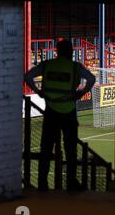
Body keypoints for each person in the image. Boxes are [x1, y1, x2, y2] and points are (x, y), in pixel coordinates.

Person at [24, 40, 95, 192]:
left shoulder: (47, 65)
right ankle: (70, 182)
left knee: (46, 148)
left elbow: (28, 76)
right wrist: (81, 93)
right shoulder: (75, 67)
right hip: (68, 111)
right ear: (70, 51)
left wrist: (39, 92)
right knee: (70, 150)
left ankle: (42, 184)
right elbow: (92, 79)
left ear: (57, 51)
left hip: (50, 111)